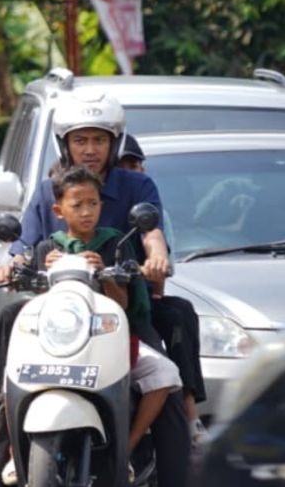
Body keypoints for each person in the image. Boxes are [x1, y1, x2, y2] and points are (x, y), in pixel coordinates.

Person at [0, 90, 202, 487]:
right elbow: (23, 244)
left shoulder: (135, 187)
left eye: (99, 139)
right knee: (12, 363)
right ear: (64, 144)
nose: (90, 148)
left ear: (115, 141)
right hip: (60, 315)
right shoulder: (48, 191)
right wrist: (11, 263)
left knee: (163, 380)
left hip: (119, 310)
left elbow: (151, 235)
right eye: (80, 139)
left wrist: (157, 258)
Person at [30, 166, 181, 457]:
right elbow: (40, 303)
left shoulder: (115, 243)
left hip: (106, 340)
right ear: (59, 211)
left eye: (93, 204)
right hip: (60, 345)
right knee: (12, 376)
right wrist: (46, 272)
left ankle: (128, 445)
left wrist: (106, 274)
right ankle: (13, 454)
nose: (87, 212)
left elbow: (122, 304)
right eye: (77, 205)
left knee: (165, 373)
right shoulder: (48, 248)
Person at [117, 135, 208, 443]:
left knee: (178, 313)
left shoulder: (150, 213)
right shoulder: (80, 203)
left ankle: (187, 410)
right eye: (125, 165)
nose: (133, 171)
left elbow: (159, 270)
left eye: (136, 164)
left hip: (138, 300)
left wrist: (153, 266)